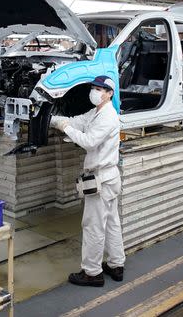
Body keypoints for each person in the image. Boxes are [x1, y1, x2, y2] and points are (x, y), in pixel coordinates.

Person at [50, 75, 125, 287]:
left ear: (109, 93)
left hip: (102, 178)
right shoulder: (96, 112)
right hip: (108, 177)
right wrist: (54, 119)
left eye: (100, 88)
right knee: (111, 222)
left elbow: (89, 142)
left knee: (93, 225)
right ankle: (116, 265)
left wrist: (66, 129)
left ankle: (92, 273)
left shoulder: (108, 116)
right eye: (93, 87)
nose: (95, 91)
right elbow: (77, 121)